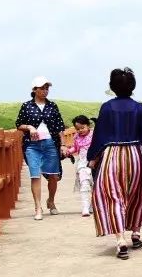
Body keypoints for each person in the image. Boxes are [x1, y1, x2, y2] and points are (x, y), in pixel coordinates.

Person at [86, 67, 142, 259]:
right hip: (136, 155)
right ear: (133, 87)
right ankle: (136, 233)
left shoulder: (107, 107)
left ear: (112, 87)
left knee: (113, 196)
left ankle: (120, 240)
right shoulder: (139, 108)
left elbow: (99, 135)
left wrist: (93, 158)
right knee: (138, 195)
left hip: (112, 155)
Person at [15, 76, 67, 220]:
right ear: (34, 90)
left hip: (51, 144)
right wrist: (30, 127)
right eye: (42, 88)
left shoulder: (52, 106)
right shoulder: (27, 106)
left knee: (53, 176)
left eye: (46, 88)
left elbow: (60, 127)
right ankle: (38, 207)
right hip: (32, 146)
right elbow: (19, 124)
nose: (45, 91)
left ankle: (51, 200)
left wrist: (63, 144)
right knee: (35, 175)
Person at [68, 115, 95, 217]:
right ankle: (85, 207)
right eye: (78, 129)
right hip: (83, 163)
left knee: (95, 185)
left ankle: (92, 205)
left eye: (82, 127)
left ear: (88, 125)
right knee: (84, 184)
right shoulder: (76, 137)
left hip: (95, 162)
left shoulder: (95, 135)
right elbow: (75, 148)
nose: (80, 130)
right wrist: (69, 152)